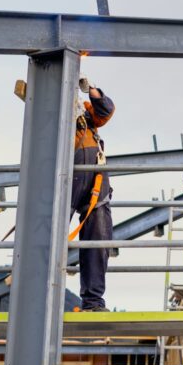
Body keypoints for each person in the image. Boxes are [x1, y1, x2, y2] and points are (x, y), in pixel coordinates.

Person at [73, 77, 115, 311]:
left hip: (95, 182)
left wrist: (91, 90)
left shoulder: (86, 115)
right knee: (47, 239)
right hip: (65, 179)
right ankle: (38, 294)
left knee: (98, 239)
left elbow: (105, 110)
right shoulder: (49, 106)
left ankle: (92, 301)